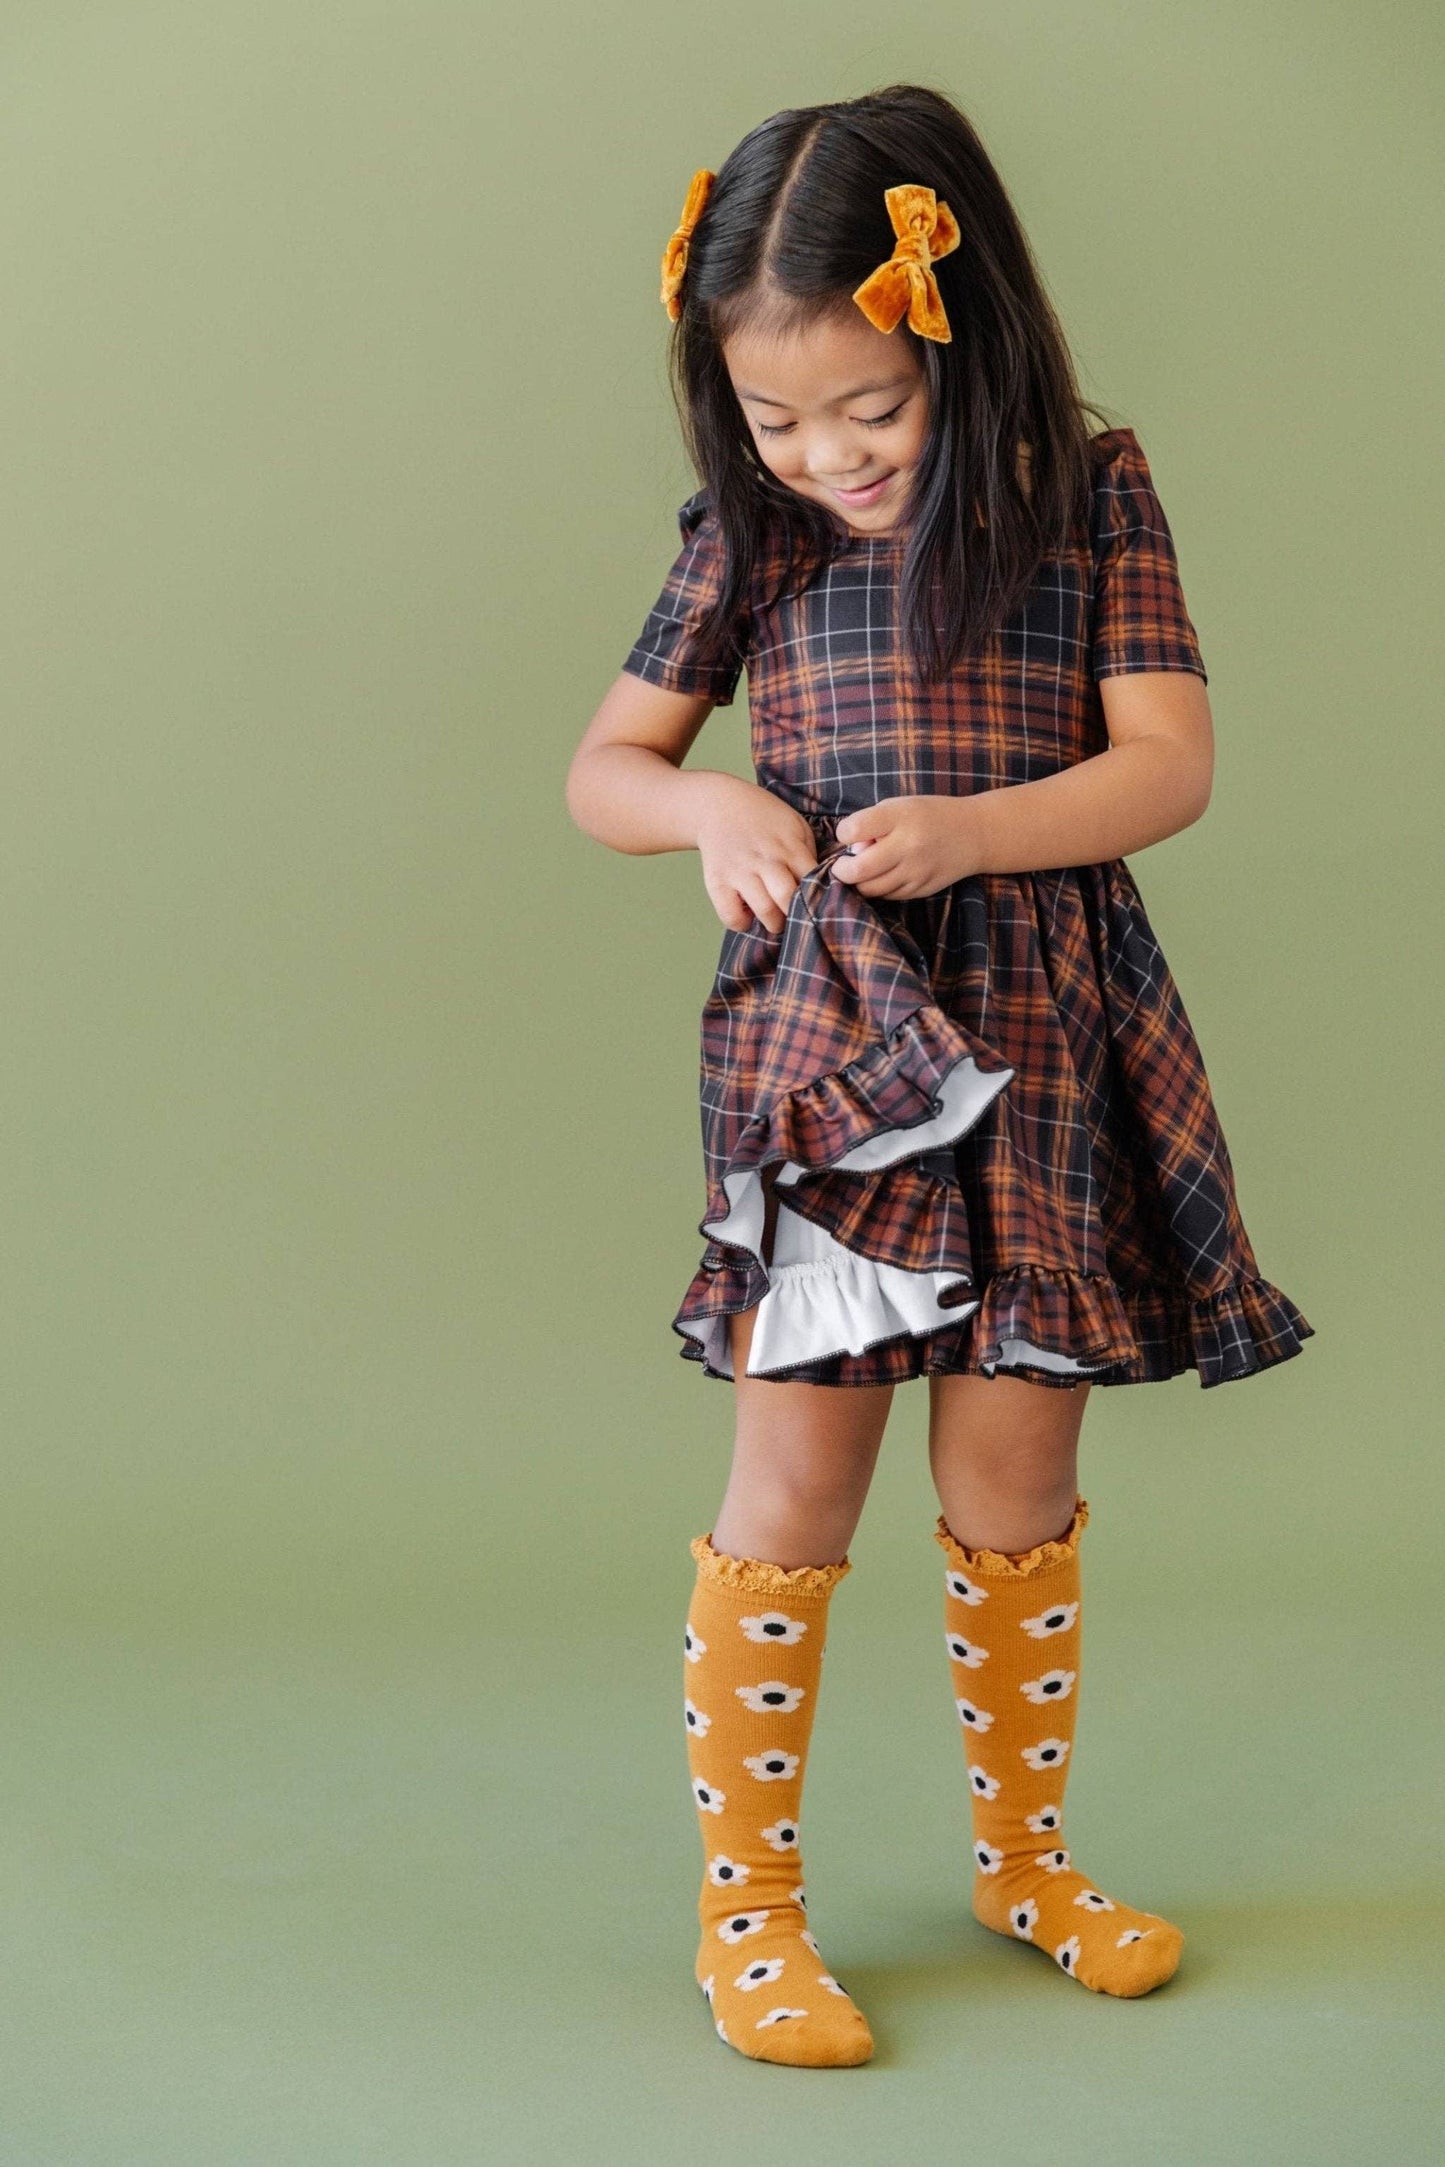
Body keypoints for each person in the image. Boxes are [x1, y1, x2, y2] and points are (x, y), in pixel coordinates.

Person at [565, 83, 1313, 2069]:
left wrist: (983, 831)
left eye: (864, 416)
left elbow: (1170, 762)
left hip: (1044, 1029)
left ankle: (1025, 1860)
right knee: (799, 1465)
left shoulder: (1091, 493)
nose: (824, 458)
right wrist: (703, 809)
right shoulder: (750, 531)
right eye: (777, 422)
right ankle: (753, 1911)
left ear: (958, 333)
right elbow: (601, 768)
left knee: (1018, 1467)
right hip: (841, 1061)